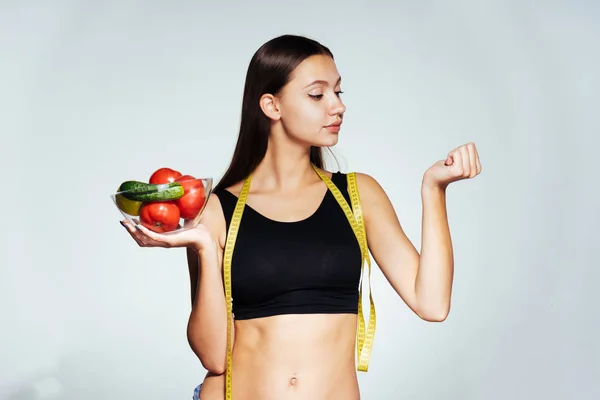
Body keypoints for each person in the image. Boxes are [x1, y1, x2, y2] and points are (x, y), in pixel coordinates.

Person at [121, 34, 482, 400]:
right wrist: (204, 248)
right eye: (317, 94)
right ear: (271, 105)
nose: (337, 106)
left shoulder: (358, 195)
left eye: (338, 93)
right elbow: (214, 357)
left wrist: (433, 190)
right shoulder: (216, 211)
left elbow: (432, 304)